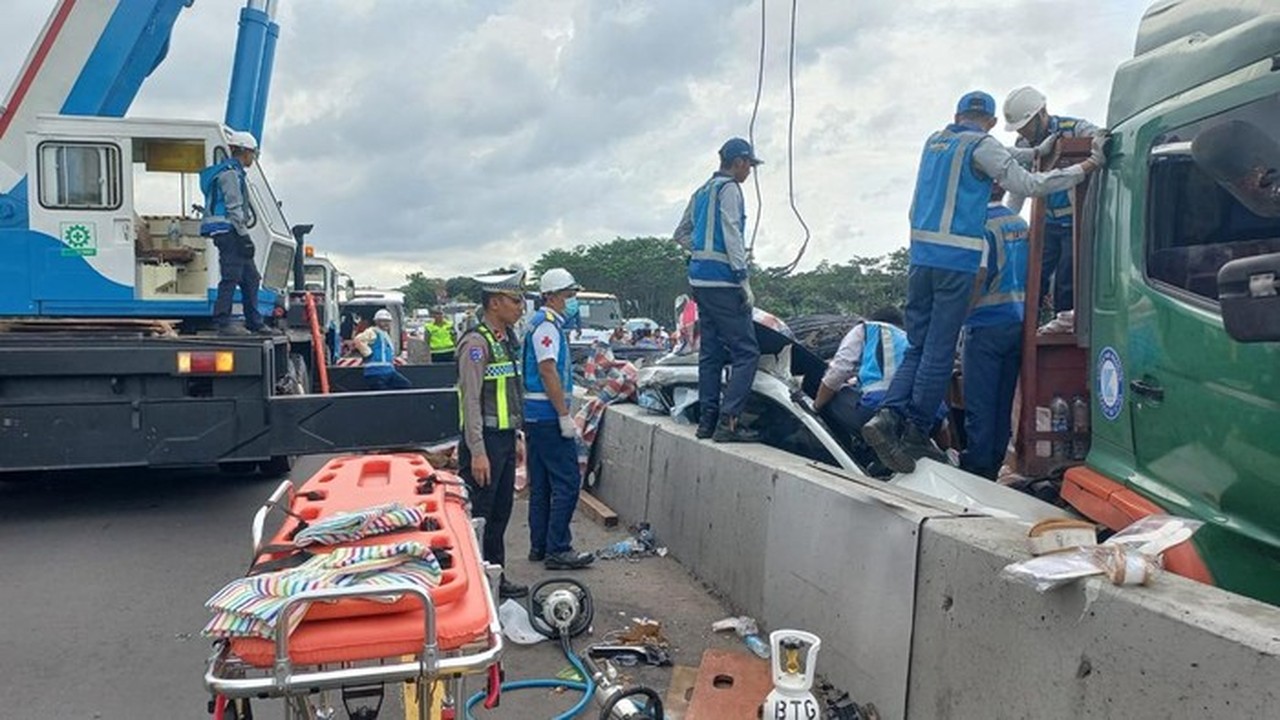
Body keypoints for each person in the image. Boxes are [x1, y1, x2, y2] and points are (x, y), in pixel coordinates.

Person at [862, 91, 1106, 475]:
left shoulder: (936, 142)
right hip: (958, 264)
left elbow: (996, 160)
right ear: (991, 123)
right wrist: (1084, 168)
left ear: (957, 114)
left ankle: (887, 416)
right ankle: (915, 433)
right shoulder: (997, 180)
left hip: (921, 258)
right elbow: (1026, 183)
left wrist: (1036, 149)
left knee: (918, 347)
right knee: (940, 355)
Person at [673, 137, 763, 442]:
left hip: (700, 282)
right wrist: (743, 277)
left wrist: (699, 251)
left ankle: (706, 422)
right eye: (749, 165)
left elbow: (680, 233)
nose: (749, 172)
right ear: (739, 162)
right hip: (724, 281)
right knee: (747, 351)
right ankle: (730, 421)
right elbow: (731, 232)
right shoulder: (730, 190)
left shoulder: (701, 192)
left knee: (710, 353)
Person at [456, 269, 529, 599]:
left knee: (500, 514)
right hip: (483, 442)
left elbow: (508, 395)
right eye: (516, 300)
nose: (521, 307)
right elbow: (470, 400)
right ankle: (476, 583)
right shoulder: (476, 343)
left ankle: (495, 578)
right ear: (495, 303)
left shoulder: (505, 342)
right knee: (480, 517)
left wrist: (514, 437)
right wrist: (478, 451)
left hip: (502, 439)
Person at [1002, 86, 1101, 313]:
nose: (1024, 133)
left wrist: (1100, 139)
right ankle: (1027, 324)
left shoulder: (1073, 129)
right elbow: (1020, 186)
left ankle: (1064, 323)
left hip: (1075, 221)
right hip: (1047, 223)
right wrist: (1007, 221)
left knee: (1068, 277)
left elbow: (1100, 136)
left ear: (1042, 114)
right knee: (1034, 276)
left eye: (1025, 127)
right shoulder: (1024, 145)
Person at [523, 268, 595, 571]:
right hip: (548, 416)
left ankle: (540, 546)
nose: (571, 302)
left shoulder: (537, 324)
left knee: (541, 485)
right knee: (567, 482)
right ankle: (558, 548)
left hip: (535, 416)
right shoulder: (548, 326)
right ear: (550, 297)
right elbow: (548, 370)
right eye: (567, 296)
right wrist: (564, 415)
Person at [960, 183, 1030, 480]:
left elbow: (979, 274)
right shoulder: (1019, 224)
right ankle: (994, 461)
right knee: (1002, 403)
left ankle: (978, 468)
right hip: (1018, 322)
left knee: (980, 403)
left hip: (985, 324)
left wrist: (960, 315)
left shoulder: (980, 226)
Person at [200, 130, 268, 335]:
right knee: (231, 275)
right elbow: (234, 207)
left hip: (228, 230)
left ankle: (254, 321)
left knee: (251, 277)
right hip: (229, 231)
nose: (253, 159)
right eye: (253, 154)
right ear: (245, 152)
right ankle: (223, 322)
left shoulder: (231, 171)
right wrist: (244, 236)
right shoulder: (230, 174)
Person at [353, 309, 411, 390]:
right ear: (376, 322)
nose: (386, 323)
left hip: (387, 371)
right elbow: (358, 340)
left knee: (405, 385)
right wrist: (368, 353)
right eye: (383, 321)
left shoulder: (385, 334)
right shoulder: (372, 331)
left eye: (388, 321)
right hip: (375, 372)